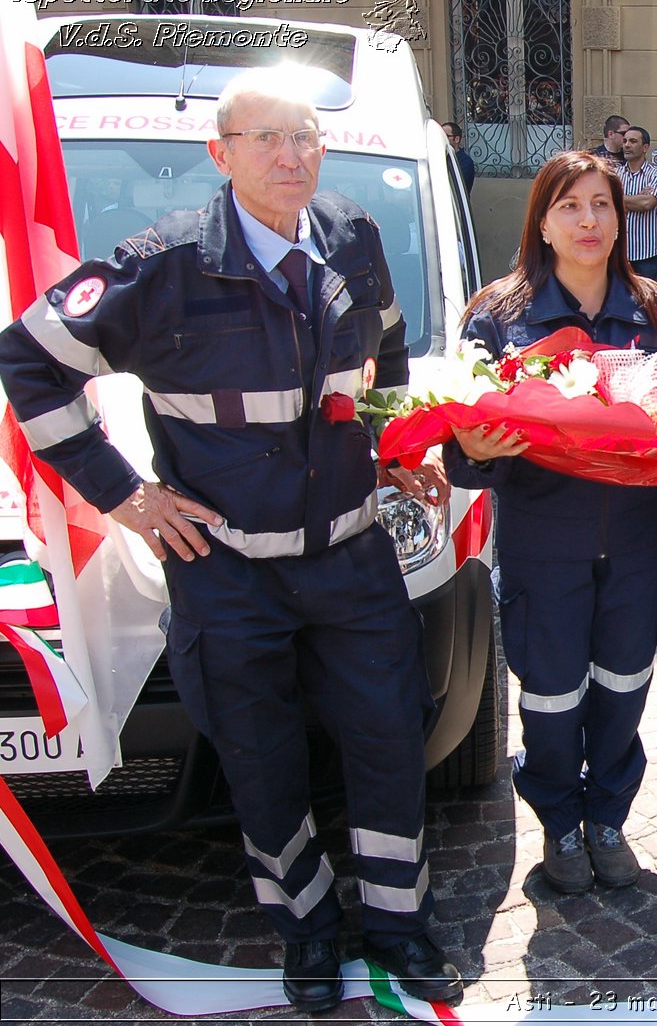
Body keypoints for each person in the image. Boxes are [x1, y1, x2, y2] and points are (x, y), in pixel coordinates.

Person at [0, 67, 462, 1011]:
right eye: (266, 139)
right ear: (222, 154)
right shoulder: (157, 265)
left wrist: (393, 440)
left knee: (387, 737)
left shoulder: (351, 235)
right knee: (258, 758)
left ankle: (398, 924)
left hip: (352, 555)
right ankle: (307, 929)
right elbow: (27, 363)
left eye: (304, 138)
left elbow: (391, 349)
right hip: (227, 574)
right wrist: (124, 495)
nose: (291, 157)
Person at [443, 150, 657, 896]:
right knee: (550, 693)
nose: (589, 220)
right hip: (545, 545)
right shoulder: (497, 318)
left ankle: (608, 817)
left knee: (624, 685)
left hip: (637, 543)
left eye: (601, 204)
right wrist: (472, 446)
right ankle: (559, 823)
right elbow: (465, 449)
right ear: (542, 220)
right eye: (570, 206)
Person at [621, 126, 657, 281]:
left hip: (647, 254)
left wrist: (619, 198)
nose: (627, 145)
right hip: (621, 254)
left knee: (650, 303)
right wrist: (636, 198)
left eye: (633, 141)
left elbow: (647, 204)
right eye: (625, 141)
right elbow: (607, 204)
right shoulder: (614, 175)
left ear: (645, 147)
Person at [443, 120, 475, 195]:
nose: (441, 139)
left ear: (456, 139)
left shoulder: (466, 162)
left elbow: (454, 184)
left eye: (445, 136)